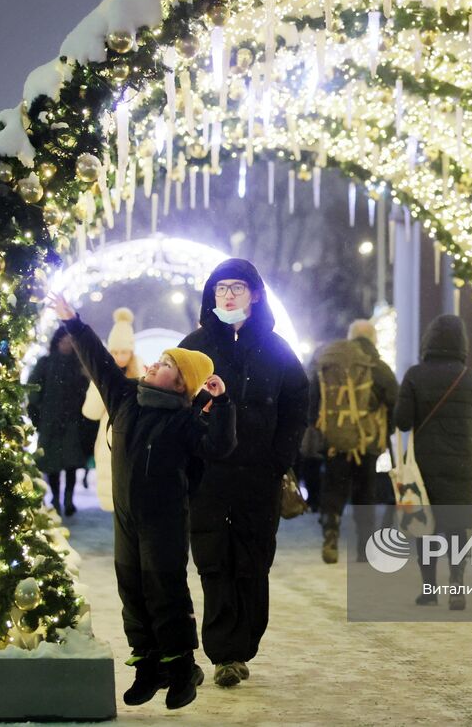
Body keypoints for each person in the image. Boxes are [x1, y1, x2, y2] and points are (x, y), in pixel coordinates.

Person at [53, 292, 233, 710]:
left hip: (165, 520)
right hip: (127, 518)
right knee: (131, 591)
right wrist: (74, 322)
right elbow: (98, 361)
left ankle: (181, 665)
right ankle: (147, 665)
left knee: (165, 590)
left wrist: (222, 404)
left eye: (166, 365)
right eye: (159, 360)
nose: (154, 364)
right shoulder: (125, 399)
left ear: (182, 384)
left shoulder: (187, 420)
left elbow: (220, 447)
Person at [178, 259, 309, 688]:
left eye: (236, 286)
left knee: (252, 561)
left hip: (259, 475)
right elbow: (173, 405)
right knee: (214, 562)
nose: (228, 294)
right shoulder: (194, 347)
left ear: (254, 294)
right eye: (220, 288)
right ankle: (225, 654)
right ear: (211, 296)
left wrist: (279, 457)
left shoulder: (277, 350)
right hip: (209, 476)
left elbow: (297, 407)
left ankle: (246, 641)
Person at [394, 314, 472, 610]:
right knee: (457, 529)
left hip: (425, 466)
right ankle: (457, 584)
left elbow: (402, 421)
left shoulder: (414, 375)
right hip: (462, 465)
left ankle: (429, 589)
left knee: (426, 527)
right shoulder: (469, 377)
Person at [310, 319, 398, 564]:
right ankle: (364, 547)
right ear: (373, 339)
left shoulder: (330, 363)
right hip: (368, 443)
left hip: (336, 440)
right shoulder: (377, 366)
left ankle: (330, 529)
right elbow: (395, 401)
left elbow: (313, 399)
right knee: (365, 493)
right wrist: (386, 430)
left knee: (334, 487)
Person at [27, 325, 97, 516]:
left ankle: (68, 499)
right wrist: (38, 415)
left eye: (71, 341)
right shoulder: (46, 363)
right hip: (51, 423)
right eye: (64, 341)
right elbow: (33, 391)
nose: (67, 345)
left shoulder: (80, 366)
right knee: (53, 465)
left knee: (72, 464)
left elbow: (89, 392)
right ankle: (56, 499)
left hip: (73, 423)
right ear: (57, 342)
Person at [82, 307, 142, 512]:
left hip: (136, 437)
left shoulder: (143, 374)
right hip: (108, 436)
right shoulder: (102, 374)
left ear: (132, 351)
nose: (119, 357)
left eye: (124, 352)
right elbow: (90, 411)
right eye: (115, 352)